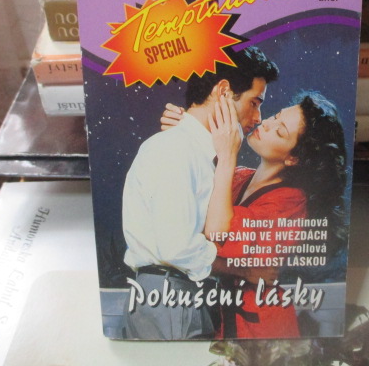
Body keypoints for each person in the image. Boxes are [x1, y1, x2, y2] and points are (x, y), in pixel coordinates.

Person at [121, 46, 279, 340]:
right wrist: (245, 271)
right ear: (223, 91)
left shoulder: (197, 153)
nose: (258, 117)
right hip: (170, 297)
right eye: (254, 102)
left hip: (178, 295)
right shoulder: (176, 149)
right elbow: (177, 248)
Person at [163, 90, 348, 339]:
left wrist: (227, 155)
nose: (266, 123)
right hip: (219, 315)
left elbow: (217, 234)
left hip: (261, 325)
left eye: (280, 131)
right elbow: (186, 223)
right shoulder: (238, 176)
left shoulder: (290, 201)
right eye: (276, 116)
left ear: (293, 158)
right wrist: (182, 130)